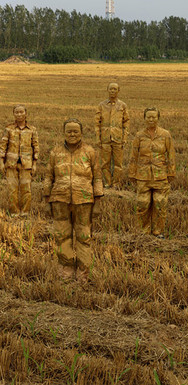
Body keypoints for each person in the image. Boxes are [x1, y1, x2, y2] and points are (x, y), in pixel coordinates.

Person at [43, 118, 103, 283]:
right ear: (64, 132)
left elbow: (97, 177)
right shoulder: (55, 152)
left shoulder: (90, 152)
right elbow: (49, 177)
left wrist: (97, 202)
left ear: (81, 133)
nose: (72, 134)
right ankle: (66, 271)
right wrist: (47, 200)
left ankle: (83, 273)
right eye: (69, 131)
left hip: (84, 201)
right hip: (59, 200)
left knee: (84, 236)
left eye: (75, 131)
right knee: (62, 236)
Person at [127, 107, 176, 239]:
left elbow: (171, 154)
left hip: (160, 175)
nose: (151, 119)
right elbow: (133, 155)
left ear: (158, 118)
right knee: (142, 204)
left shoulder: (165, 134)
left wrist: (171, 172)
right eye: (148, 117)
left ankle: (157, 232)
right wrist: (132, 172)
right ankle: (143, 232)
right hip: (143, 176)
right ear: (144, 118)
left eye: (153, 117)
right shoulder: (139, 136)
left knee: (160, 204)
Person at [0, 105, 39, 217]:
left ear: (26, 113)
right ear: (14, 114)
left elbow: (36, 147)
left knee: (26, 189)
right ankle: (14, 213)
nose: (19, 114)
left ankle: (25, 213)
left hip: (26, 164)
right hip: (10, 164)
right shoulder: (8, 129)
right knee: (12, 190)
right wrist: (1, 162)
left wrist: (34, 164)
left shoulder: (32, 129)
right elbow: (3, 146)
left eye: (21, 112)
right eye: (16, 112)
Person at [95, 82, 129, 188]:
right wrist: (98, 138)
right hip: (105, 138)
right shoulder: (101, 105)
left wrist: (125, 138)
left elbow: (126, 123)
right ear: (107, 90)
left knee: (118, 163)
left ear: (119, 90)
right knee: (105, 163)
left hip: (118, 138)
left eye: (115, 89)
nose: (112, 91)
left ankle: (116, 183)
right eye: (111, 89)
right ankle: (108, 182)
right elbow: (97, 123)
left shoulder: (122, 105)